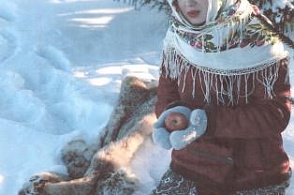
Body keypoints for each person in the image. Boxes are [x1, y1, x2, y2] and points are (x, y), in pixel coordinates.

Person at [151, 0, 292, 194]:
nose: (190, 3)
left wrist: (210, 121)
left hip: (252, 173)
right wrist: (173, 113)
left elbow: (275, 115)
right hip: (193, 165)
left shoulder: (260, 40)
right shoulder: (178, 36)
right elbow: (166, 95)